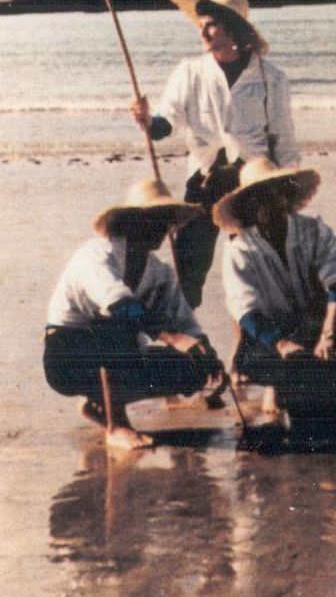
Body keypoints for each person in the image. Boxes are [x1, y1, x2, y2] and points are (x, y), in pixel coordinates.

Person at [130, 0, 299, 308]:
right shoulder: (190, 72)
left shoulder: (271, 77)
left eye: (211, 24)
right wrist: (147, 120)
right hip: (205, 181)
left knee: (259, 267)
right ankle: (185, 338)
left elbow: (284, 139)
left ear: (233, 28)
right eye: (201, 24)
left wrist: (288, 191)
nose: (203, 31)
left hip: (253, 182)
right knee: (188, 270)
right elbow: (166, 123)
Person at [43, 179, 224, 450]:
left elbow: (184, 320)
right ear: (131, 221)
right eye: (154, 219)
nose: (163, 228)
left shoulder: (159, 271)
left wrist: (206, 353)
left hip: (117, 357)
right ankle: (117, 425)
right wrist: (171, 337)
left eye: (167, 221)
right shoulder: (96, 254)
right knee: (117, 327)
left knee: (192, 367)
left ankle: (100, 403)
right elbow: (118, 303)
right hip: (68, 356)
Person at [213, 158, 336, 418]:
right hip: (269, 337)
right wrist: (282, 344)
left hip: (312, 324)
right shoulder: (239, 249)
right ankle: (280, 387)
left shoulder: (313, 230)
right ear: (250, 205)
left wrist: (328, 330)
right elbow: (246, 312)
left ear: (286, 195)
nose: (270, 204)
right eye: (261, 198)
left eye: (276, 194)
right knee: (269, 374)